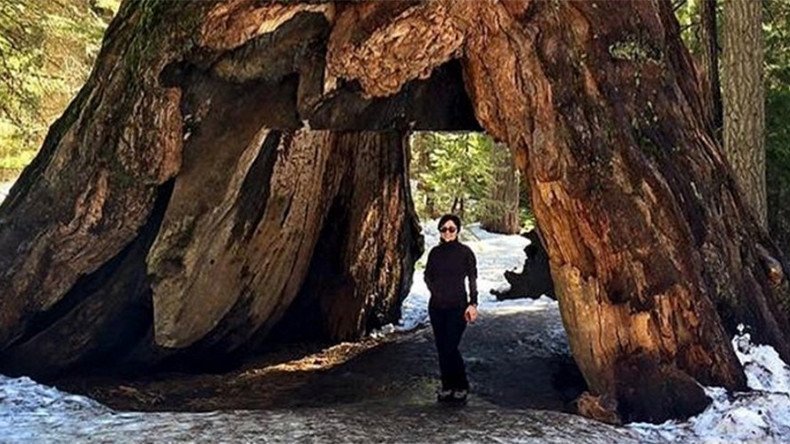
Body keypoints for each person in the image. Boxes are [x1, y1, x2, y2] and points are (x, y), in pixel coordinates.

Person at [424, 214, 478, 403]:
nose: (447, 232)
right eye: (444, 229)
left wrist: (473, 303)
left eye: (451, 229)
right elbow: (427, 275)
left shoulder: (465, 253)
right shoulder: (435, 253)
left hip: (458, 307)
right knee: (441, 347)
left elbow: (472, 278)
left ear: (457, 231)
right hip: (437, 307)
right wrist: (435, 290)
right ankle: (448, 386)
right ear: (440, 231)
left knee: (450, 346)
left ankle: (461, 385)